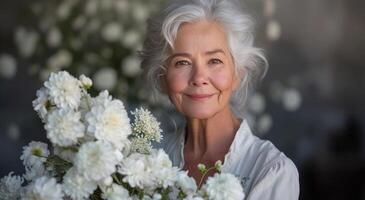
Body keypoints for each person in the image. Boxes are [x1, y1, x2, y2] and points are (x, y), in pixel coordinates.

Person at [140, 0, 299, 199]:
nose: (199, 78)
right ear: (162, 77)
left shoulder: (270, 170)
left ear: (238, 73)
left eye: (214, 61)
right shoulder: (147, 160)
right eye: (182, 62)